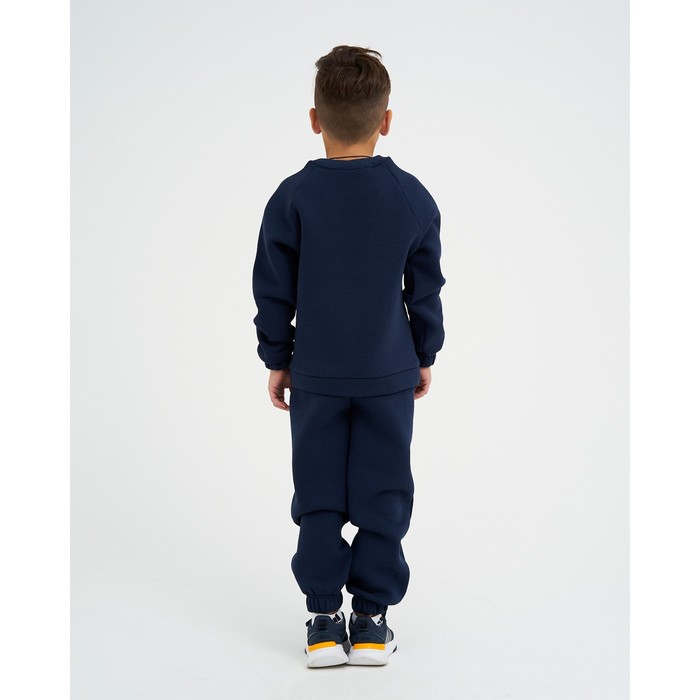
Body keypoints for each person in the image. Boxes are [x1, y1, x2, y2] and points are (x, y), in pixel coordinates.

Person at [251, 45, 446, 668]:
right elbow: (425, 288)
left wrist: (277, 357)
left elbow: (272, 289)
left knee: (318, 495)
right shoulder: (411, 197)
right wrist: (424, 352)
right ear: (386, 120)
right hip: (389, 373)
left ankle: (321, 621)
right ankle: (370, 623)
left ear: (315, 119)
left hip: (316, 375)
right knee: (384, 493)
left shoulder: (292, 198)